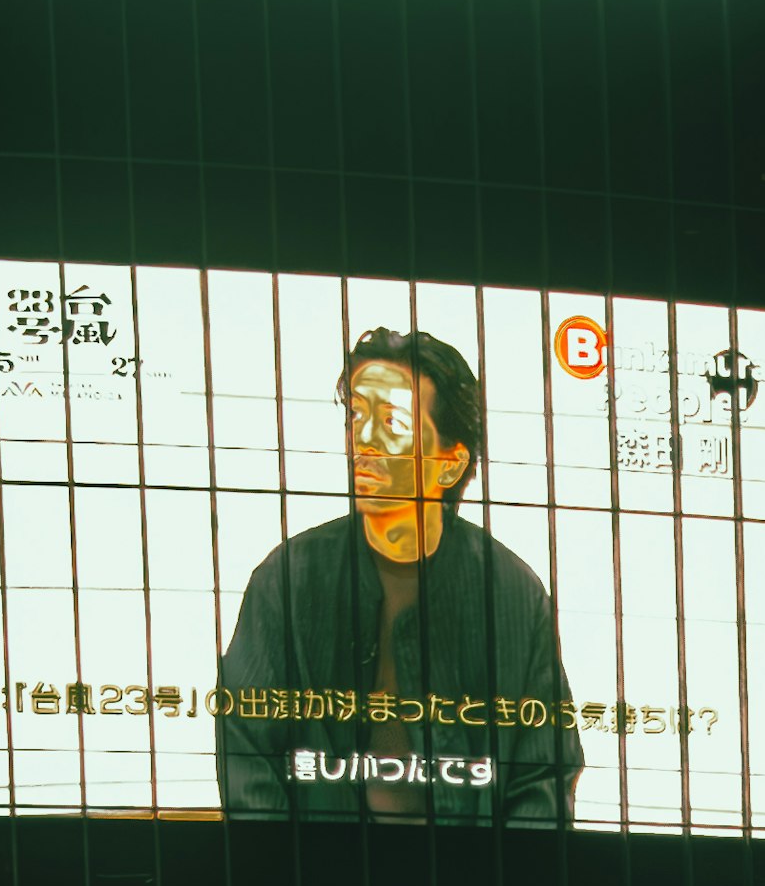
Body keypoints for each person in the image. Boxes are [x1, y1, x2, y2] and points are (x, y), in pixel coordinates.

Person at [212, 320, 585, 825]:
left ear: (451, 464)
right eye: (356, 418)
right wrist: (291, 881)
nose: (362, 441)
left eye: (391, 424)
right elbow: (247, 756)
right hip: (316, 878)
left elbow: (542, 777)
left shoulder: (511, 592)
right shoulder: (289, 578)